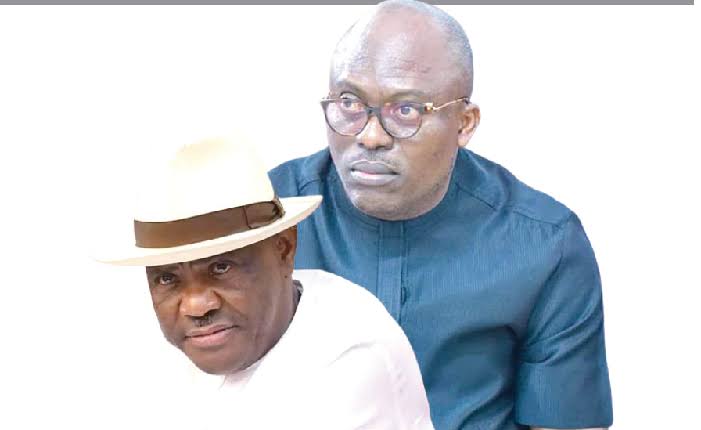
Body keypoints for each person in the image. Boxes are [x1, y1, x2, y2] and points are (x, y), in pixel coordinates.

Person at [268, 1, 613, 429]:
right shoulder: (264, 216)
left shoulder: (545, 245)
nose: (370, 136)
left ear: (464, 123)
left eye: (406, 110)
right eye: (350, 102)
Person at [96, 136, 434, 429]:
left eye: (221, 267)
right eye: (167, 278)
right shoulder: (171, 352)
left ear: (284, 248)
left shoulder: (351, 357)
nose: (196, 306)